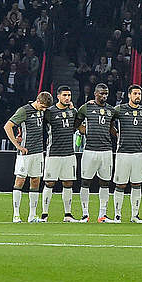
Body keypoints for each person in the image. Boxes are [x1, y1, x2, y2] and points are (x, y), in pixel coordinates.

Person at [4, 91, 53, 222]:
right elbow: (8, 126)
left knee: (35, 181)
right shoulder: (24, 110)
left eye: (45, 108)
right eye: (42, 106)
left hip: (38, 152)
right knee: (20, 181)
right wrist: (17, 145)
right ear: (37, 101)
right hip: (25, 153)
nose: (44, 110)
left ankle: (32, 215)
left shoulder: (43, 111)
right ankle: (16, 214)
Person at [111, 85, 142, 224]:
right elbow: (108, 119)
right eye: (135, 93)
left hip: (138, 153)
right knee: (120, 184)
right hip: (123, 152)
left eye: (139, 94)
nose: (137, 96)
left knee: (136, 184)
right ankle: (117, 215)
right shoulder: (119, 109)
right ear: (129, 95)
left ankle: (135, 215)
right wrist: (115, 133)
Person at [41, 86, 81, 222]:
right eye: (64, 95)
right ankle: (44, 214)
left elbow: (77, 125)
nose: (67, 98)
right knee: (49, 183)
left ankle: (68, 215)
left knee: (68, 183)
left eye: (69, 95)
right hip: (54, 153)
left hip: (69, 153)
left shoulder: (73, 111)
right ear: (58, 96)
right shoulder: (50, 112)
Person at [76, 84, 116, 222]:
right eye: (101, 93)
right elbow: (76, 121)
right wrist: (83, 130)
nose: (104, 96)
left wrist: (118, 135)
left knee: (105, 182)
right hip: (90, 150)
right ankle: (85, 214)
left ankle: (102, 215)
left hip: (106, 150)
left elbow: (112, 127)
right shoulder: (87, 107)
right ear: (95, 93)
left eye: (106, 94)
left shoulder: (111, 110)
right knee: (85, 181)